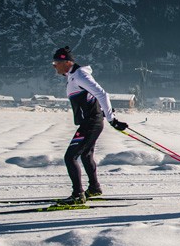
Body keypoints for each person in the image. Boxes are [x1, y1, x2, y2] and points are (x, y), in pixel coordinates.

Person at [51, 46, 128, 205]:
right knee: (86, 155)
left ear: (66, 62)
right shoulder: (73, 75)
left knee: (70, 157)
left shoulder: (79, 75)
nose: (54, 66)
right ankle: (94, 188)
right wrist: (102, 109)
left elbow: (101, 93)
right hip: (91, 121)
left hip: (91, 123)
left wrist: (111, 118)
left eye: (56, 62)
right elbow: (91, 96)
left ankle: (78, 195)